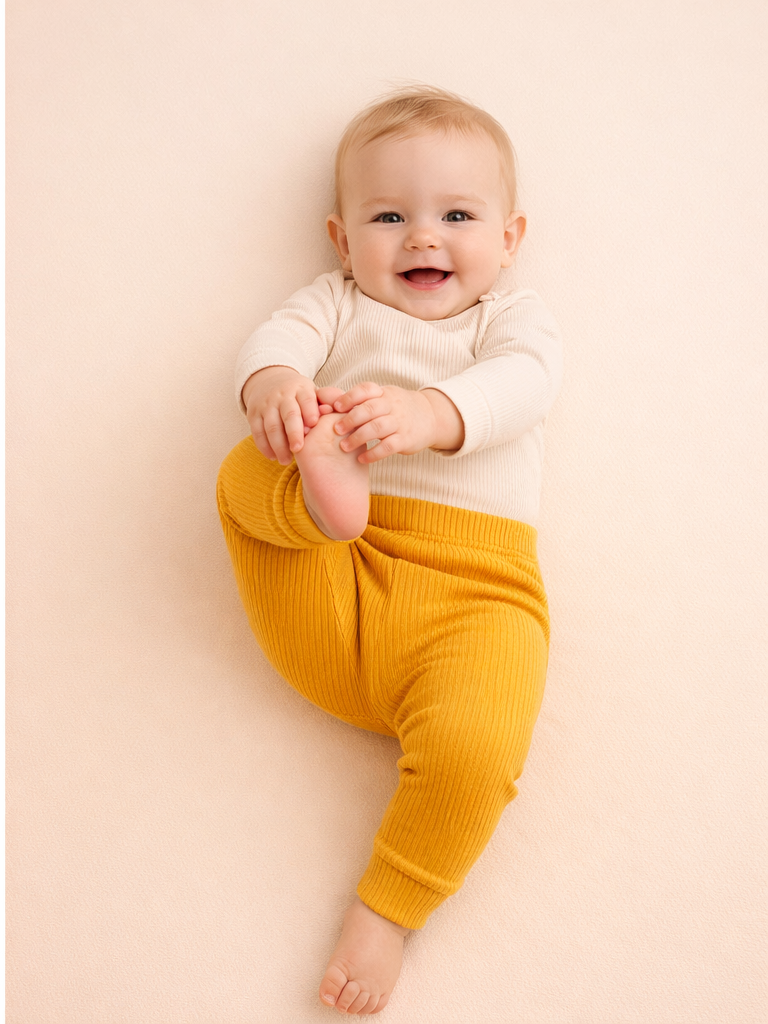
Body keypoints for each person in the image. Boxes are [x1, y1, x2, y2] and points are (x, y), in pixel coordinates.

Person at [217, 85, 562, 1015]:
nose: (422, 238)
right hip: (342, 584)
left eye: (457, 215)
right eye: (388, 216)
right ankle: (321, 490)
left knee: (481, 746)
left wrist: (428, 413)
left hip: (475, 597)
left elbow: (525, 388)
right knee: (241, 479)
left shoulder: (509, 323)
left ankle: (389, 909)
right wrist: (278, 387)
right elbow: (274, 339)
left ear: (509, 236)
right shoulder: (335, 305)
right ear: (340, 240)